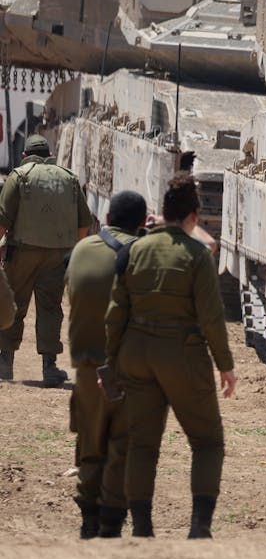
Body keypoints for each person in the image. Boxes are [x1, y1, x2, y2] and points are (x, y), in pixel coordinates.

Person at [104, 174, 236, 538]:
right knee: (208, 442)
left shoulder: (135, 249)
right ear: (194, 217)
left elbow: (116, 312)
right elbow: (211, 318)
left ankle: (143, 528)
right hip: (182, 356)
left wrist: (109, 363)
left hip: (135, 354)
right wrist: (225, 366)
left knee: (142, 443)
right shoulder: (196, 255)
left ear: (162, 213)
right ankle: (199, 528)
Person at [66, 190, 148, 539]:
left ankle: (88, 517)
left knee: (90, 442)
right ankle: (112, 523)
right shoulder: (146, 255)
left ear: (108, 218)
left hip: (88, 368)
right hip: (130, 371)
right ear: (142, 222)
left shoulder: (82, 249)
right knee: (123, 445)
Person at [0, 134, 93, 386]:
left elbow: (3, 220)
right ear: (48, 153)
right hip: (57, 255)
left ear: (24, 155)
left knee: (14, 304)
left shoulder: (19, 175)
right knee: (51, 308)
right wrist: (70, 249)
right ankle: (50, 367)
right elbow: (85, 222)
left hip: (21, 253)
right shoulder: (69, 177)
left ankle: (5, 363)